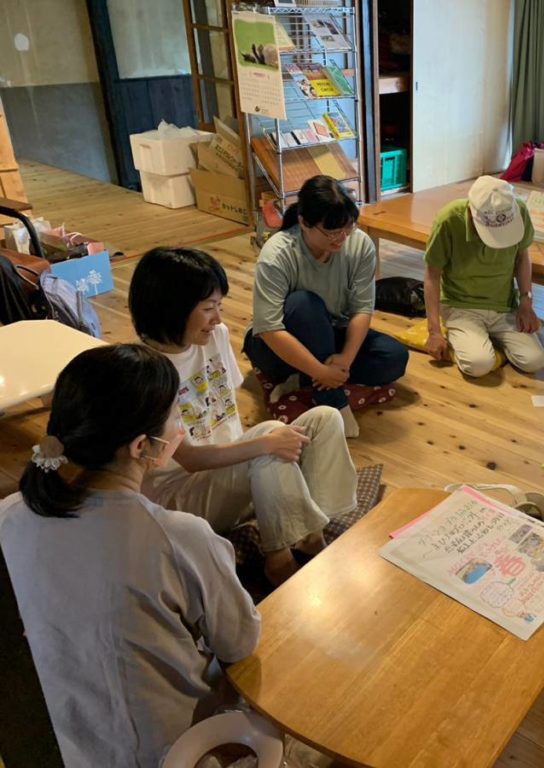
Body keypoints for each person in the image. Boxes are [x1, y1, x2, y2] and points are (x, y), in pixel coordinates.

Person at [0, 344, 261, 766]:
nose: (180, 426)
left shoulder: (9, 516)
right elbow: (240, 641)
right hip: (174, 749)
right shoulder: (179, 537)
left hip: (65, 742)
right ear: (143, 446)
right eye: (175, 416)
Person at [130, 246, 358, 585]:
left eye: (219, 307)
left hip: (230, 476)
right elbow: (190, 459)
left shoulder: (215, 337)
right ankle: (279, 559)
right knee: (267, 441)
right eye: (208, 308)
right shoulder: (145, 371)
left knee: (325, 418)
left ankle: (312, 534)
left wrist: (261, 447)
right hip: (181, 497)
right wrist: (263, 445)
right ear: (172, 309)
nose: (218, 319)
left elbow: (229, 413)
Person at [243, 175, 409, 436]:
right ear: (303, 222)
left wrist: (345, 359)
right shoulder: (278, 254)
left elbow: (362, 308)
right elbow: (269, 329)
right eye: (331, 232)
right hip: (275, 345)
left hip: (329, 334)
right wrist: (321, 371)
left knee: (394, 357)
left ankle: (303, 379)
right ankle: (333, 402)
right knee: (304, 304)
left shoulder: (359, 244)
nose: (341, 238)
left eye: (348, 227)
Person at [423, 175, 544, 377]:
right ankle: (467, 338)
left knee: (535, 360)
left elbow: (523, 256)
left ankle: (484, 339)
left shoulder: (519, 211)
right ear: (472, 213)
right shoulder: (449, 219)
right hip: (460, 305)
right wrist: (434, 331)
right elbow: (432, 275)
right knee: (479, 365)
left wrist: (526, 301)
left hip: (504, 305)